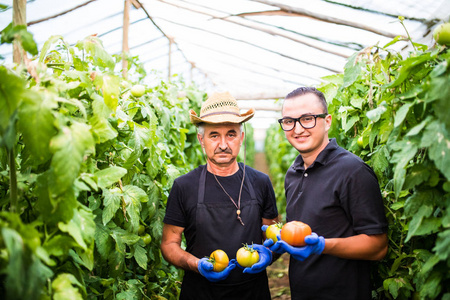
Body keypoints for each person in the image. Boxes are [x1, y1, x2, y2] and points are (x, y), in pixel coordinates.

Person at [264, 87, 388, 300]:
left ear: (327, 121)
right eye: (289, 121)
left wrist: (322, 246)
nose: (298, 128)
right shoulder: (293, 173)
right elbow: (300, 234)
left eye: (307, 118)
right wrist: (271, 251)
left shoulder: (352, 171)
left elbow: (377, 246)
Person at [161, 92, 279, 300]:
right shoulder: (184, 186)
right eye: (214, 135)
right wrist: (196, 264)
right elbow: (169, 244)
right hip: (199, 292)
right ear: (201, 139)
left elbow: (273, 237)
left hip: (252, 292)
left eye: (231, 134)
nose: (223, 144)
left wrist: (269, 255)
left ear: (241, 138)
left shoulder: (260, 182)